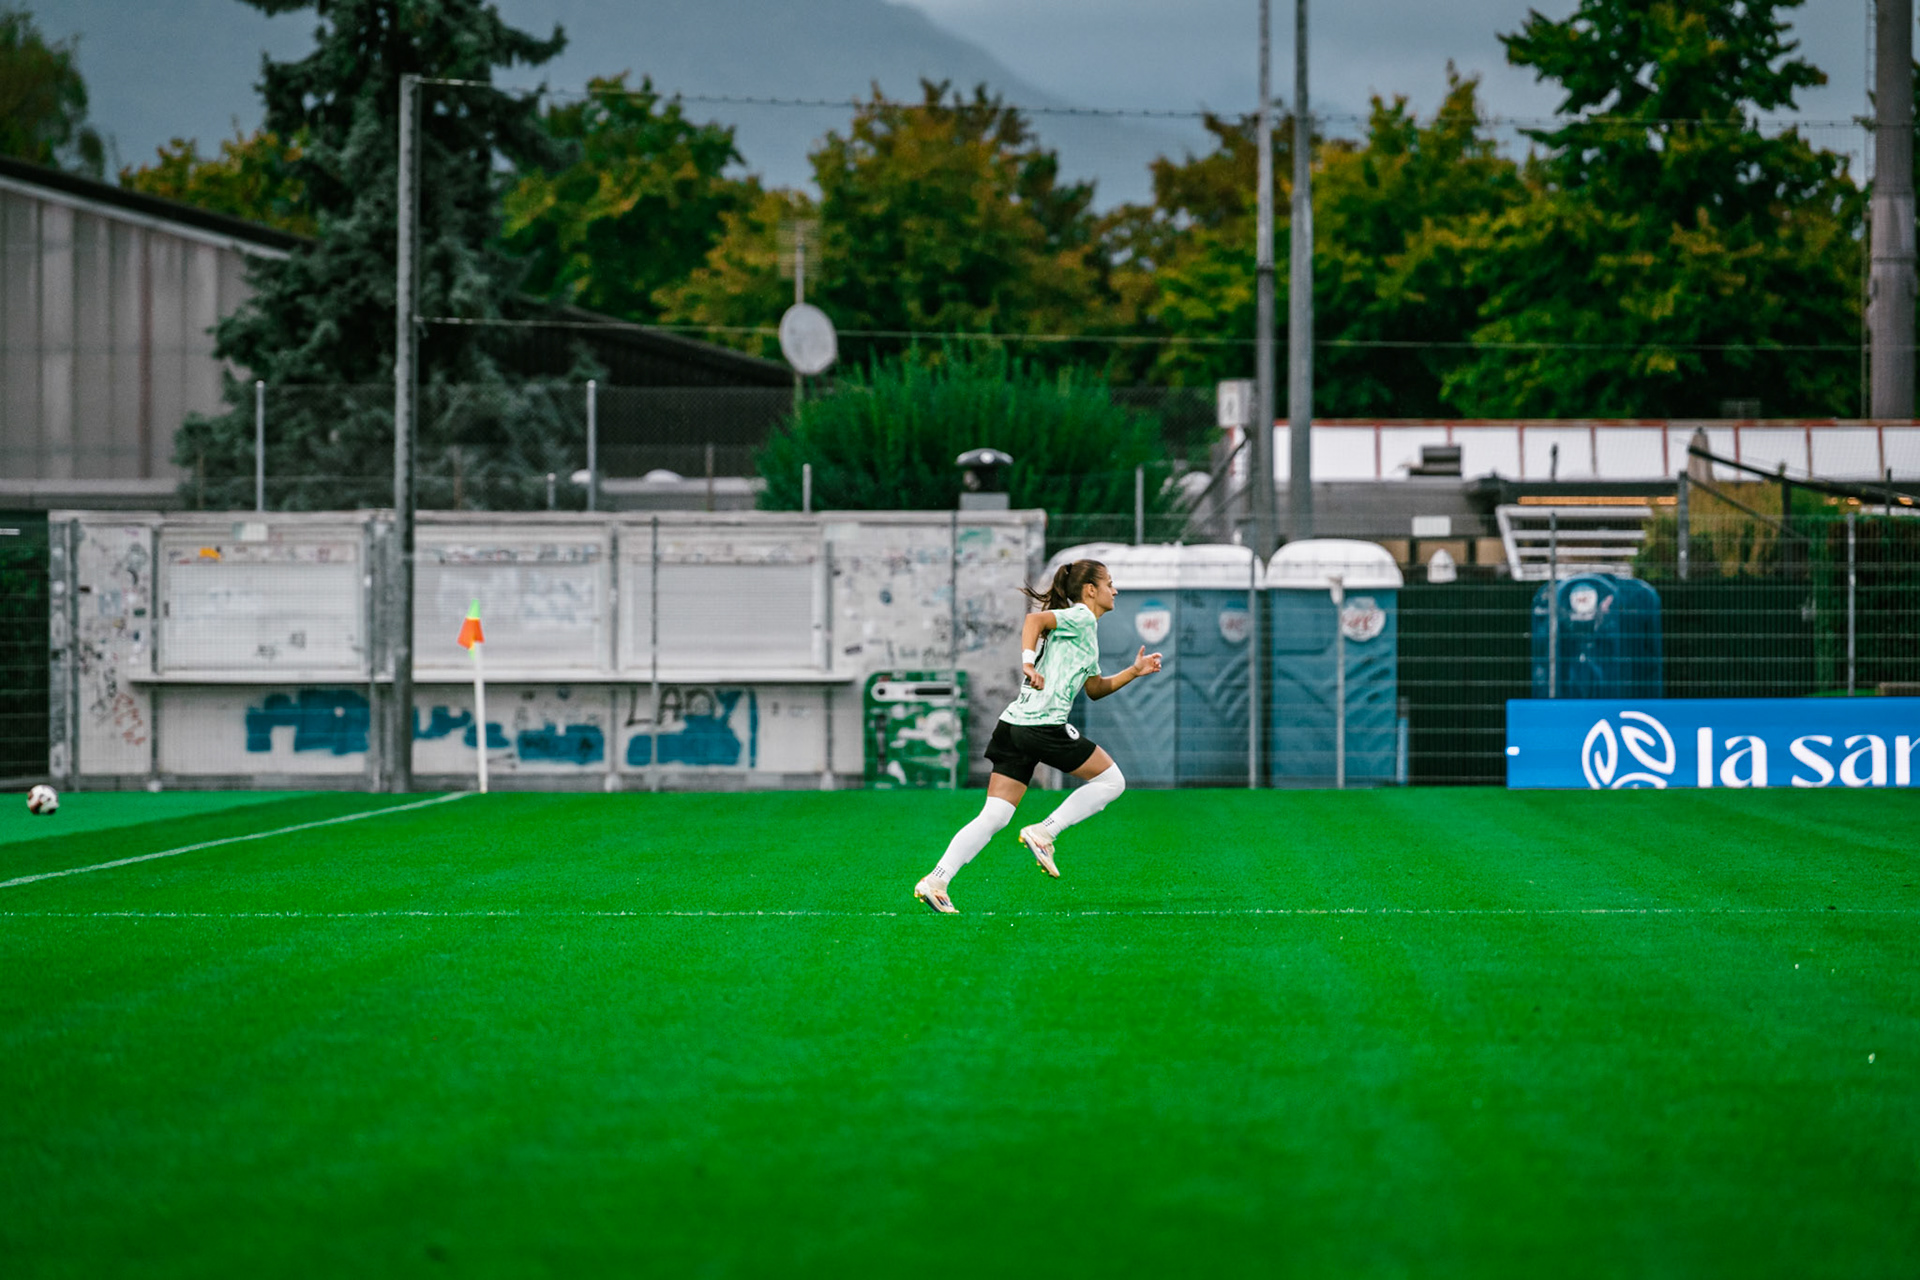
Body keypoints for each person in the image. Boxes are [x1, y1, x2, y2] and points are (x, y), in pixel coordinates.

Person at [913, 558, 1162, 914]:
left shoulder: (1084, 631)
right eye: (1109, 583)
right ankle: (1045, 831)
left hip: (1014, 726)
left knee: (994, 816)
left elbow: (1094, 688)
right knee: (1112, 781)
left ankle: (937, 880)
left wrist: (1134, 672)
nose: (1115, 589)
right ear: (1090, 590)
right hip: (1042, 725)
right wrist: (1027, 662)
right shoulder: (1080, 617)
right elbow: (1034, 619)